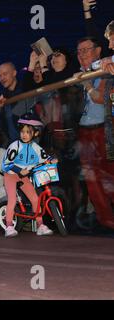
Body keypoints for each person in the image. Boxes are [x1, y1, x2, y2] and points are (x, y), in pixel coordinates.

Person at [76, 36, 114, 230]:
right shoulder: (77, 75)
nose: (81, 54)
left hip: (104, 128)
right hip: (84, 131)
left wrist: (87, 85)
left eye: (86, 50)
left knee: (110, 172)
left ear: (98, 51)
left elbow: (101, 98)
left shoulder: (106, 68)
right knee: (91, 177)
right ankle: (106, 220)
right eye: (79, 51)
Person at [2, 114, 56, 238]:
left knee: (35, 199)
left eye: (28, 132)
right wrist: (19, 170)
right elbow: (5, 165)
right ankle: (9, 226)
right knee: (12, 200)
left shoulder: (36, 148)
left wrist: (52, 160)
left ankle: (40, 225)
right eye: (22, 131)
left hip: (23, 176)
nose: (24, 134)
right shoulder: (15, 146)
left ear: (35, 133)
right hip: (10, 176)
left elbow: (44, 158)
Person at [0, 62, 34, 144]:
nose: (2, 78)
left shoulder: (25, 87)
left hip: (30, 141)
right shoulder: (2, 94)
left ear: (14, 73)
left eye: (5, 74)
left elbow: (21, 91)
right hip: (11, 144)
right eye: (0, 75)